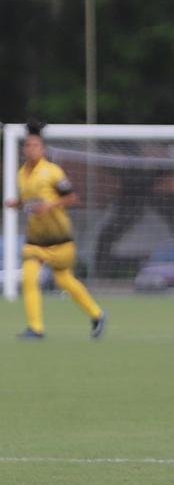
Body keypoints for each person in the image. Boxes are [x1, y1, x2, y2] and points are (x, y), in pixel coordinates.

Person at [4, 119, 107, 340]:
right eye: (28, 146)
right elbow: (29, 200)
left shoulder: (53, 172)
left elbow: (72, 197)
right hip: (35, 239)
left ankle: (97, 314)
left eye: (35, 146)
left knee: (64, 280)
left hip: (59, 237)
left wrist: (50, 206)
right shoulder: (22, 173)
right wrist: (17, 204)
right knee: (30, 279)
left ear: (43, 149)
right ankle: (36, 328)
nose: (31, 149)